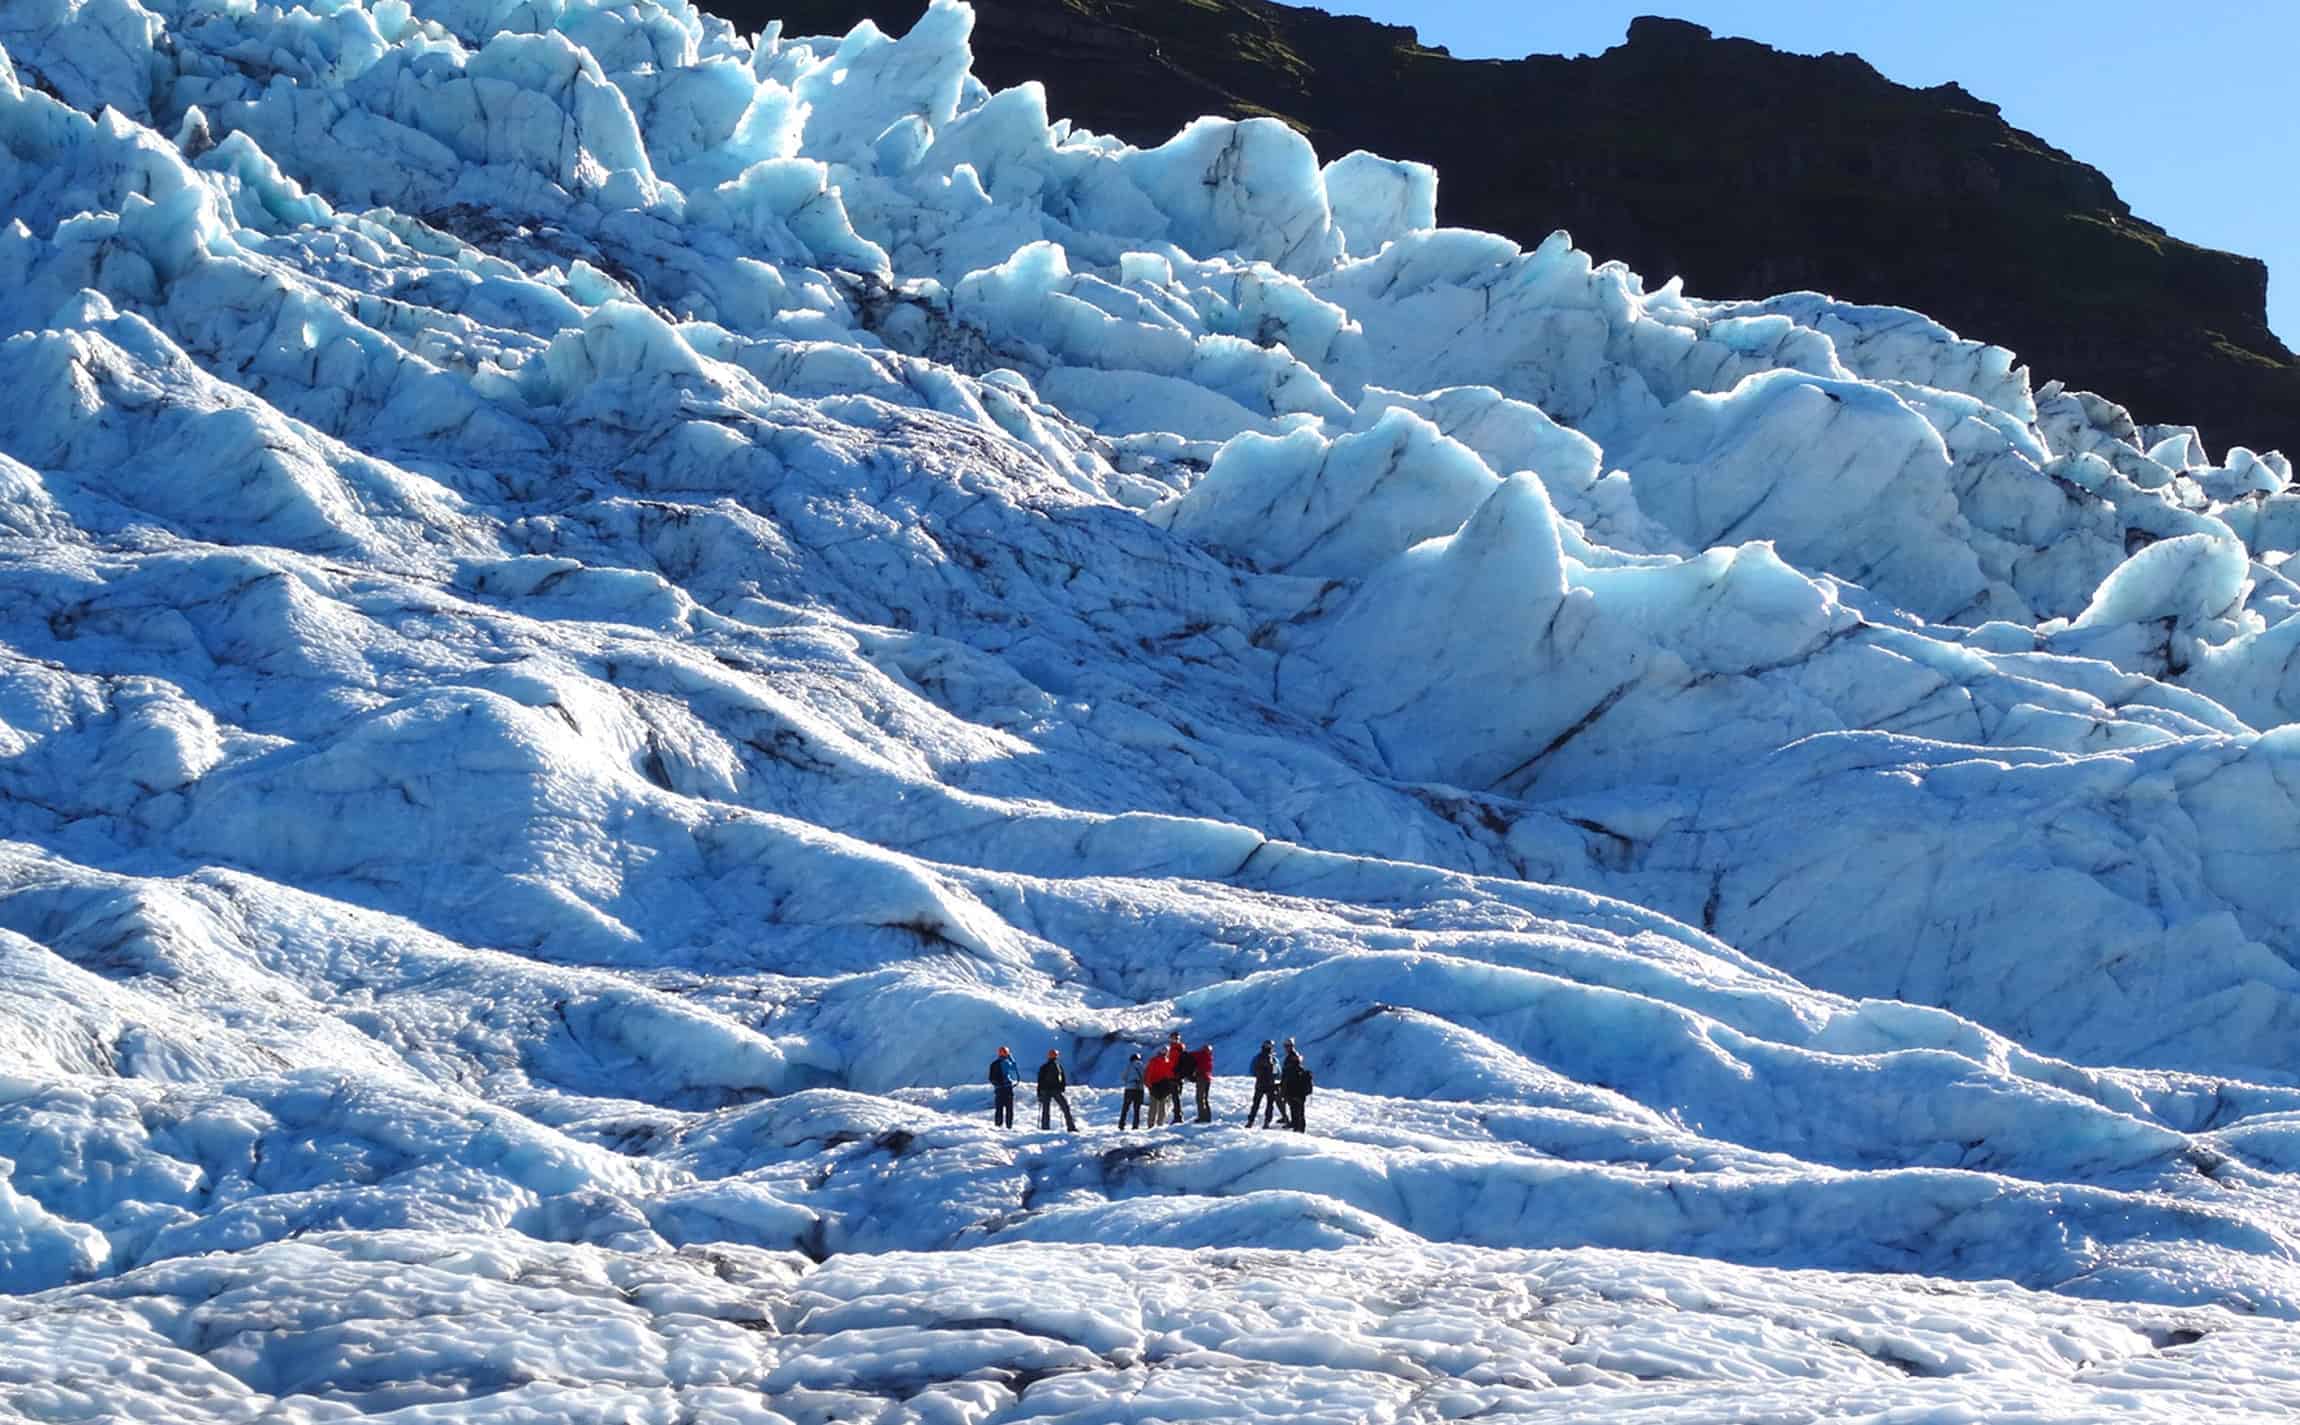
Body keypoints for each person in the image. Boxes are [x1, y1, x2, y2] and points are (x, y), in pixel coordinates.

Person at [1037, 1048, 1077, 1131]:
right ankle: (1071, 1127)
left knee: (1045, 1110)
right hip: (1056, 1090)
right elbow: (1062, 1079)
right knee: (1065, 1107)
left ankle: (1045, 1127)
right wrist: (1062, 1088)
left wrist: (1039, 1093)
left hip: (1045, 1090)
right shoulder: (1058, 1066)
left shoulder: (1044, 1067)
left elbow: (1040, 1081)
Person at [1280, 1037, 1312, 1133]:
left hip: (1295, 1089)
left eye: (1287, 1046)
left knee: (1298, 1111)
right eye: (1285, 1046)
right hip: (1294, 1089)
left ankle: (1299, 1130)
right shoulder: (1292, 1056)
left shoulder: (1293, 1057)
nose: (1286, 1048)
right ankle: (1297, 1128)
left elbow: (1289, 1074)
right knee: (1296, 1110)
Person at [1246, 1039, 1279, 1128]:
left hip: (1260, 1084)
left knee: (1256, 1104)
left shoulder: (1257, 1057)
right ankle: (1266, 1122)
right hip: (1270, 1085)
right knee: (1269, 1104)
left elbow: (1252, 1070)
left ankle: (1250, 1121)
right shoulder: (1274, 1059)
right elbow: (1277, 1073)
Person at [987, 1045, 1019, 1129]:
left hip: (998, 1089)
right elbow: (1014, 1068)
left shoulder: (994, 1064)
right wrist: (1011, 1057)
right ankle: (1009, 1126)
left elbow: (990, 1077)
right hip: (1007, 1087)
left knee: (999, 1108)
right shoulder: (1006, 1062)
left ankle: (998, 1125)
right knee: (1009, 1109)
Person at [1144, 1044, 1175, 1126]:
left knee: (1153, 1107)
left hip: (1154, 1085)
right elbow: (1171, 1074)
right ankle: (1159, 1124)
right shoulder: (1168, 1061)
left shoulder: (1153, 1060)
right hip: (1164, 1086)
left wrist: (1148, 1084)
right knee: (1162, 1107)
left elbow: (1148, 1073)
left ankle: (1151, 1124)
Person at [1119, 1051, 1146, 1129]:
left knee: (1125, 1108)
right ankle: (1135, 1126)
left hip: (1130, 1088)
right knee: (1137, 1109)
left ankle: (1122, 1124)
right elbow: (1145, 1077)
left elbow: (1123, 1077)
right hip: (1140, 1089)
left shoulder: (1129, 1066)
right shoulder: (1142, 1066)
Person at [1192, 1042, 1215, 1123]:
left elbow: (1193, 1055)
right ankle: (1207, 1117)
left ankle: (1202, 1117)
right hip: (1208, 1079)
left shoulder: (1202, 1055)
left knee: (1199, 1098)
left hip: (1202, 1078)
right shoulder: (1209, 1057)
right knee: (1205, 1098)